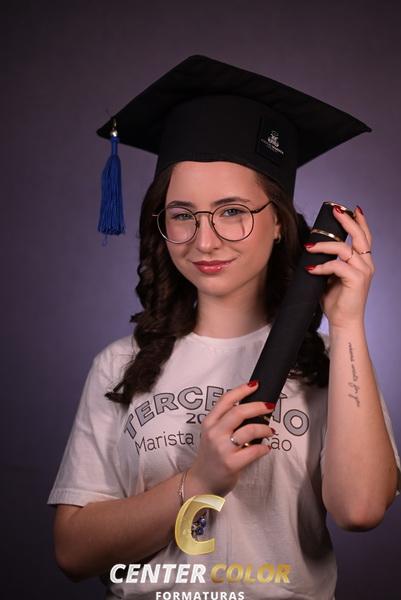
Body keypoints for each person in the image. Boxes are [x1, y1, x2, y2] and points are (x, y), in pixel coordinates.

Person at [47, 56, 401, 600]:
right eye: (182, 214)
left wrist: (348, 322)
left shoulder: (332, 362)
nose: (205, 240)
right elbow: (73, 551)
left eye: (233, 211)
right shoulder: (120, 364)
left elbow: (360, 509)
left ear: (278, 221)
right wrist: (198, 482)